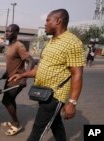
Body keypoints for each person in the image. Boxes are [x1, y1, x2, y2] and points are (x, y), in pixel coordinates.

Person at [9, 9, 85, 141]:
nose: (45, 24)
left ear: (58, 21)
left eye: (47, 20)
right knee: (55, 123)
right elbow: (41, 68)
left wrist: (72, 103)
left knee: (38, 129)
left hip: (55, 95)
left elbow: (77, 74)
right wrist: (23, 75)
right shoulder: (51, 42)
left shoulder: (73, 43)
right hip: (44, 93)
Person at [1, 24, 35, 136]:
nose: (7, 33)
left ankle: (16, 124)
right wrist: (6, 73)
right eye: (6, 31)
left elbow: (31, 61)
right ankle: (14, 121)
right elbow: (13, 62)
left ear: (16, 33)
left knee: (7, 101)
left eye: (9, 31)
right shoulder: (10, 45)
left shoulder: (19, 46)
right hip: (10, 78)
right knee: (8, 100)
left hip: (18, 79)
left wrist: (24, 77)